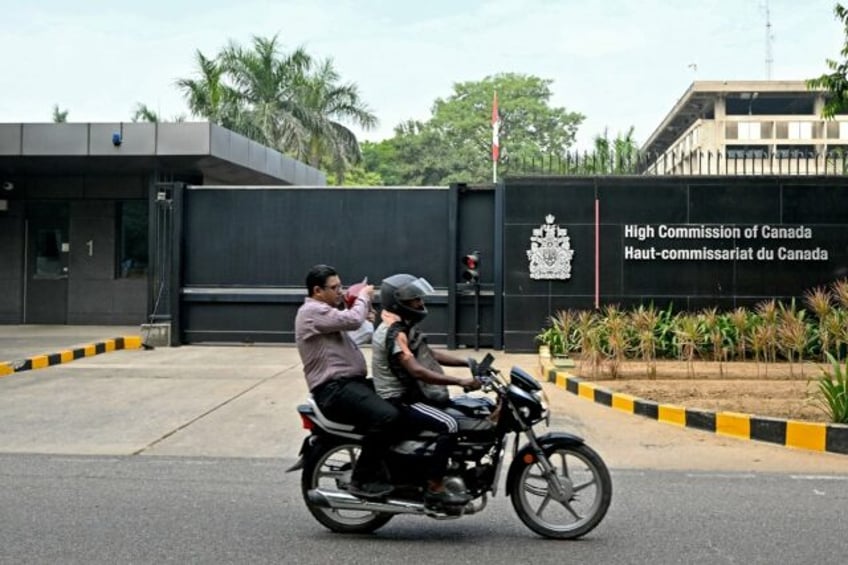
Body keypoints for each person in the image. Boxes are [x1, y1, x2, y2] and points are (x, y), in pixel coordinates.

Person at [371, 273, 479, 506]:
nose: (420, 304)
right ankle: (435, 485)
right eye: (414, 300)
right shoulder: (394, 333)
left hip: (411, 394)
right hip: (398, 400)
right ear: (398, 302)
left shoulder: (403, 326)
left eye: (419, 299)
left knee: (465, 410)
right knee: (450, 425)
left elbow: (428, 354)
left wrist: (467, 363)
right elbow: (417, 370)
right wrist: (459, 382)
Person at [294, 264, 400, 499]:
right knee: (386, 416)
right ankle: (363, 478)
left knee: (400, 398)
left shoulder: (327, 314)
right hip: (334, 390)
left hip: (350, 385)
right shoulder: (312, 311)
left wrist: (363, 315)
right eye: (334, 288)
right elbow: (351, 320)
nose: (340, 292)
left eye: (340, 286)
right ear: (317, 291)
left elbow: (356, 331)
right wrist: (362, 298)